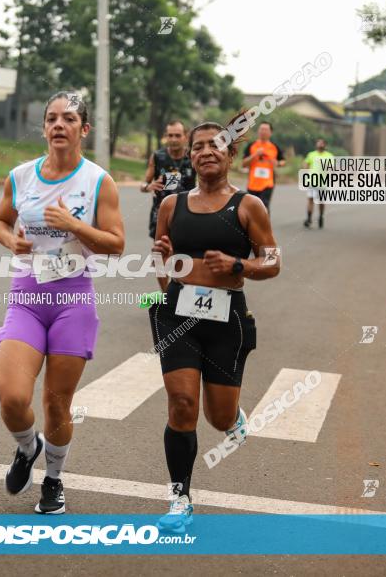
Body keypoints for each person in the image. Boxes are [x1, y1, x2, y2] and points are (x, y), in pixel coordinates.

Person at [0, 92, 124, 514]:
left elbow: (117, 244)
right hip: (27, 297)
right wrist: (11, 239)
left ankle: (53, 479)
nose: (58, 125)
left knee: (56, 403)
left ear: (84, 129)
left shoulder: (99, 180)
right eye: (51, 118)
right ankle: (28, 449)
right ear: (45, 127)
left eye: (69, 119)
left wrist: (74, 225)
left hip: (73, 299)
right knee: (13, 398)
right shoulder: (21, 176)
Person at [149, 116, 280, 533]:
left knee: (217, 418)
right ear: (190, 157)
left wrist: (239, 264)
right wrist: (164, 260)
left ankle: (233, 415)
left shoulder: (248, 206)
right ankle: (179, 500)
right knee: (182, 405)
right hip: (178, 313)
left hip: (226, 319)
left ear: (229, 153)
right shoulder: (172, 205)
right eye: (198, 146)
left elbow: (274, 260)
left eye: (214, 145)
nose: (206, 151)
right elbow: (162, 264)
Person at [141, 120, 196, 238]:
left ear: (185, 137)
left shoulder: (193, 157)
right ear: (166, 137)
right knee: (160, 251)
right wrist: (149, 186)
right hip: (161, 213)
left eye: (177, 135)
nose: (174, 139)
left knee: (185, 253)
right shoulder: (157, 157)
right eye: (170, 135)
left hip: (188, 213)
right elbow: (143, 184)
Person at [242, 122, 285, 213]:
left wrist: (278, 163)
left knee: (264, 207)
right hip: (253, 183)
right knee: (251, 209)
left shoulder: (274, 147)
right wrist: (255, 155)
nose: (263, 131)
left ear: (271, 133)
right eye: (261, 129)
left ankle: (264, 226)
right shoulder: (251, 146)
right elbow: (244, 163)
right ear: (258, 131)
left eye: (266, 130)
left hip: (268, 183)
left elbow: (283, 161)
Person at [302, 138, 333, 228]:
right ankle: (309, 218)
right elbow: (306, 164)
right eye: (319, 143)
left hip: (323, 182)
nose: (320, 144)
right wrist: (305, 170)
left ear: (325, 145)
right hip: (312, 181)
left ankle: (321, 216)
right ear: (316, 144)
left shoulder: (329, 156)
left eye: (322, 143)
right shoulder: (311, 154)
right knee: (310, 199)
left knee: (321, 202)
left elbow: (331, 168)